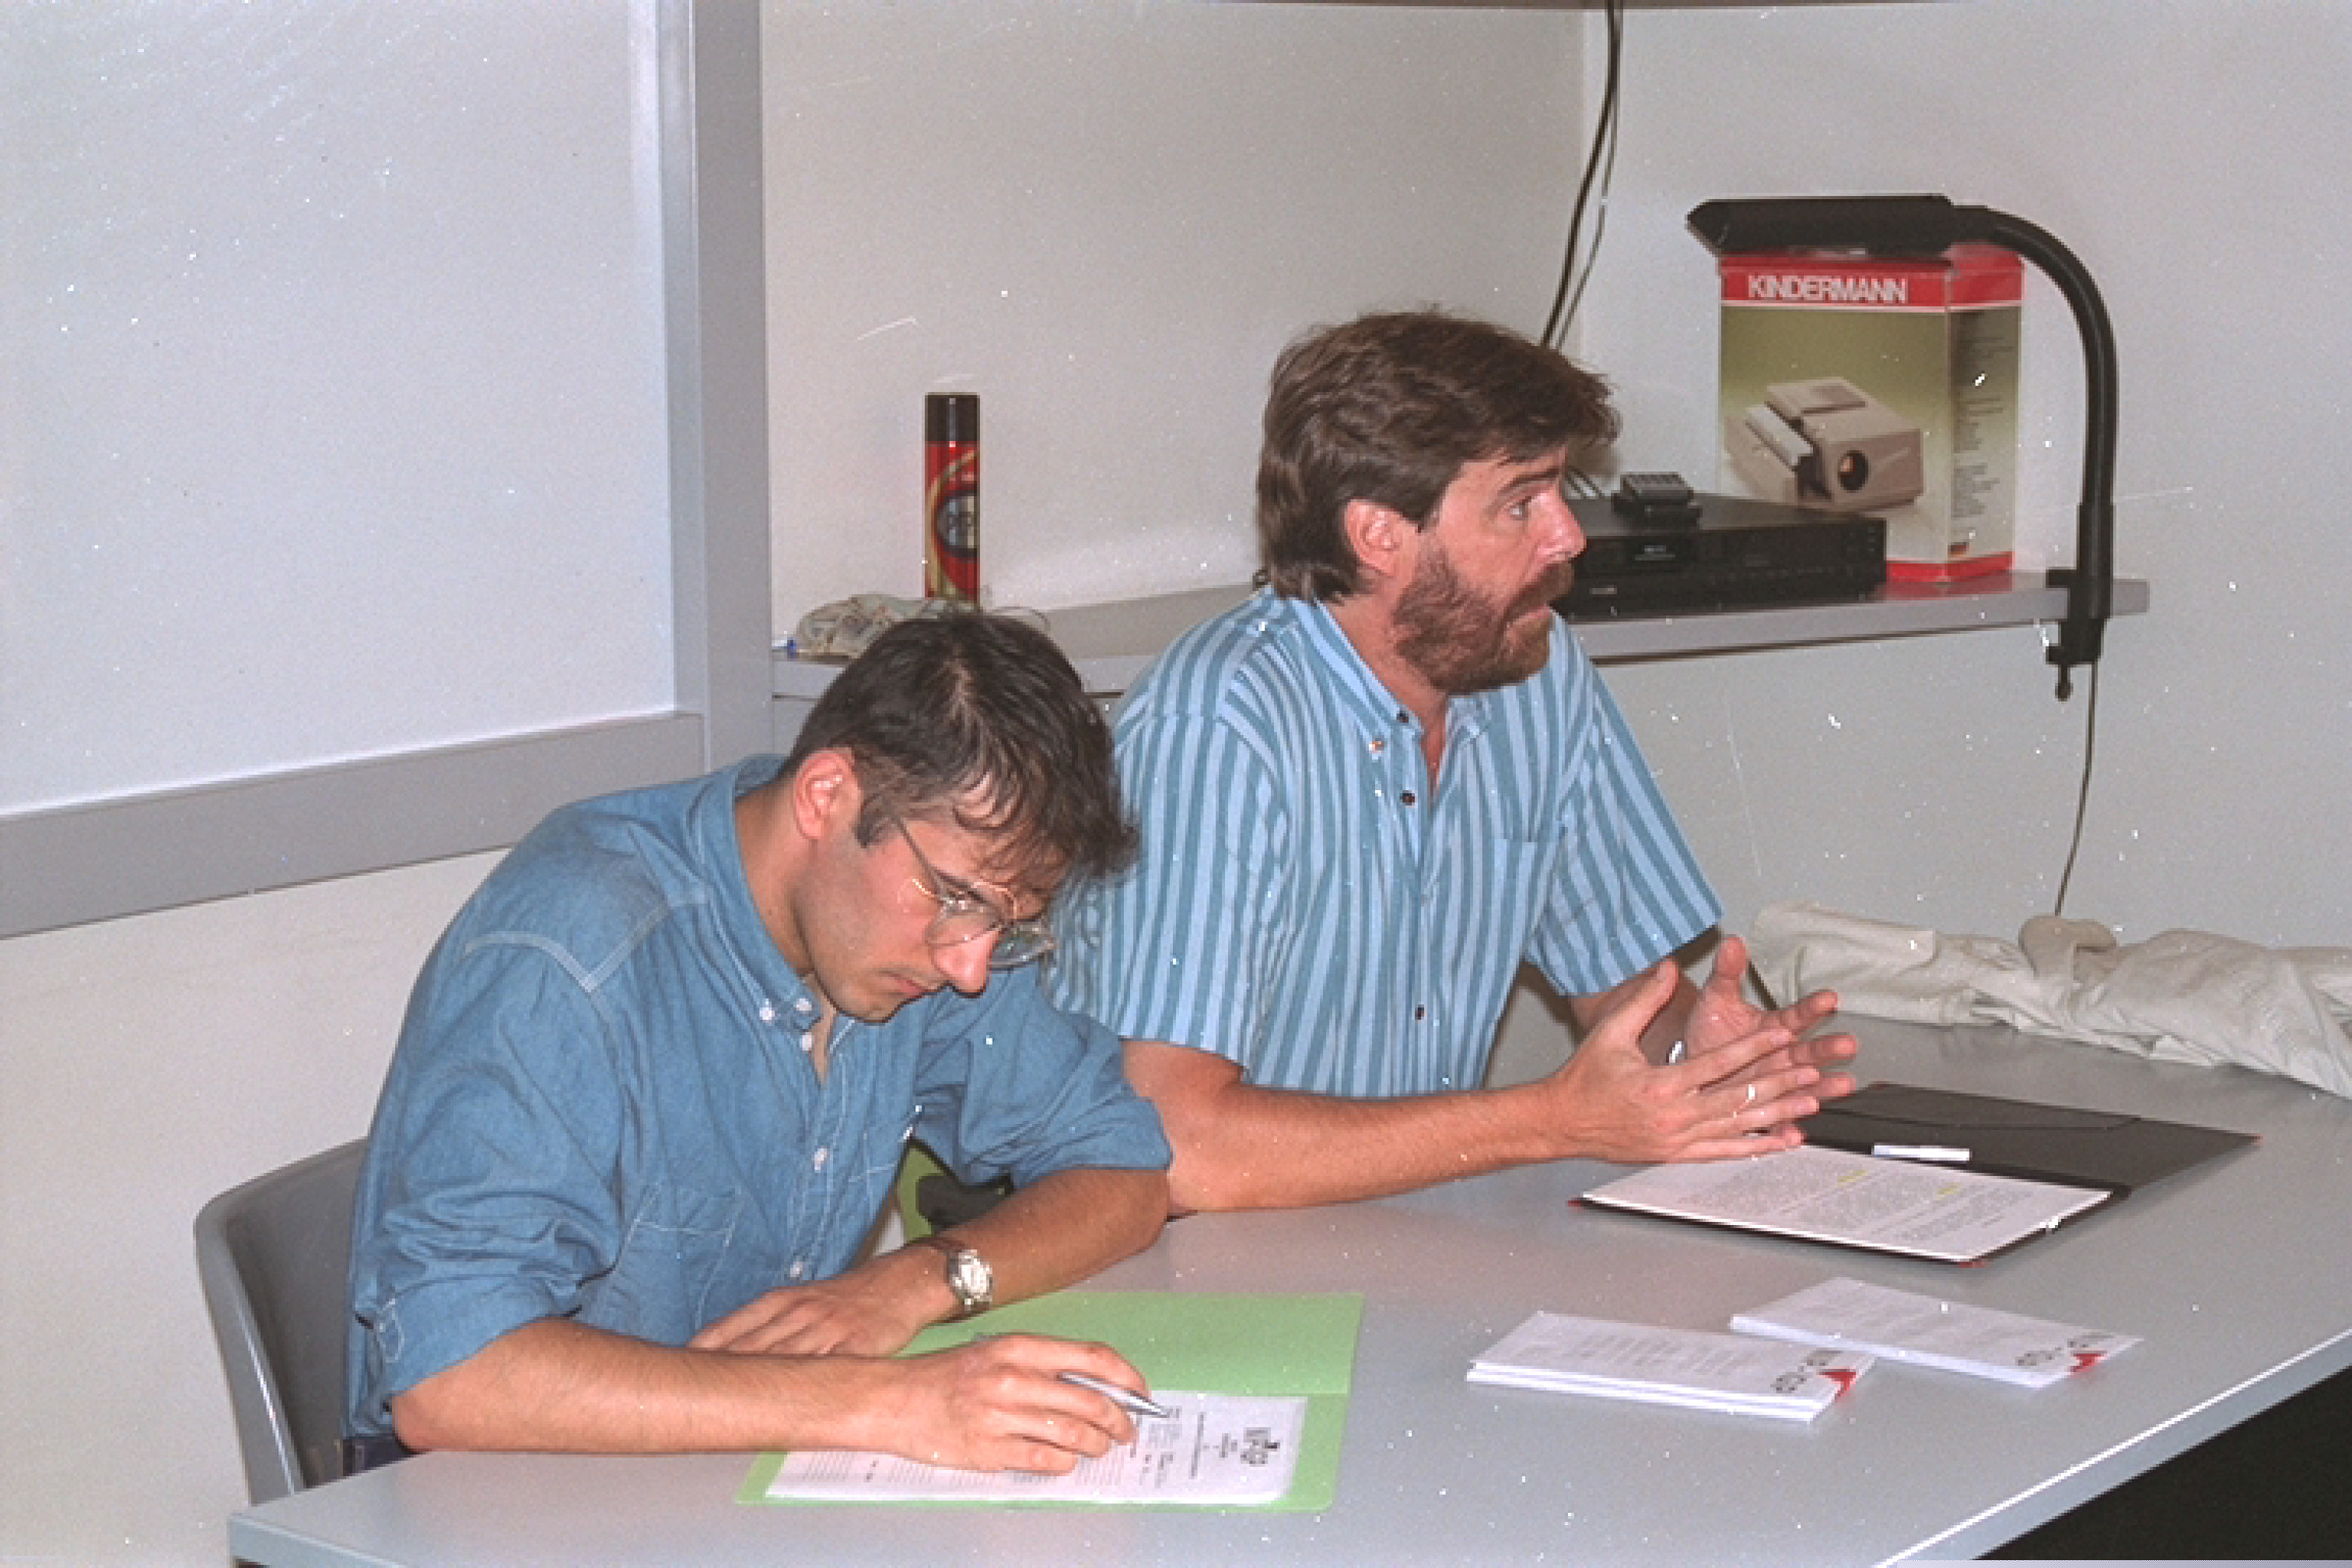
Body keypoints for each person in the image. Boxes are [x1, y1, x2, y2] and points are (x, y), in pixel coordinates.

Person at [1046, 309, 1856, 1214]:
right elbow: (1173, 1146)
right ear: (1379, 536)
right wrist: (1550, 1121)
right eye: (1520, 504)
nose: (1568, 537)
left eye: (1560, 492)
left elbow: (1628, 998)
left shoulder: (1534, 671)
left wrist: (1694, 1063)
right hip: (1205, 1251)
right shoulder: (1218, 728)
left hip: (1420, 1226)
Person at [345, 612, 1172, 1475]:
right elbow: (451, 1378)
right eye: (957, 900)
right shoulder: (570, 956)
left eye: (1007, 923)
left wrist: (916, 1281)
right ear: (826, 797)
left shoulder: (918, 930)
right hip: (494, 1495)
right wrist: (889, 1402)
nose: (970, 967)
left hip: (723, 1474)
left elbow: (1126, 1169)